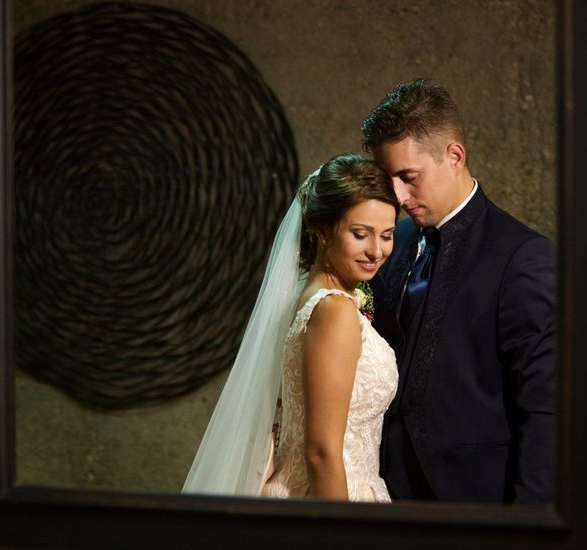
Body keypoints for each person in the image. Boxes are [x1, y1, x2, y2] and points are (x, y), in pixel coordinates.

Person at [362, 79, 556, 504]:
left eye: (408, 177)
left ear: (454, 156)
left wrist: (530, 531)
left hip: (475, 504)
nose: (396, 195)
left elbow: (546, 414)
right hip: (383, 499)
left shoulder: (523, 259)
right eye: (388, 178)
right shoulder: (390, 245)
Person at [183, 153, 400, 502]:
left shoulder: (307, 295)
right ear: (322, 231)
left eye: (387, 235)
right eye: (361, 234)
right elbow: (321, 451)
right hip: (333, 501)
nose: (376, 251)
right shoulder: (335, 311)